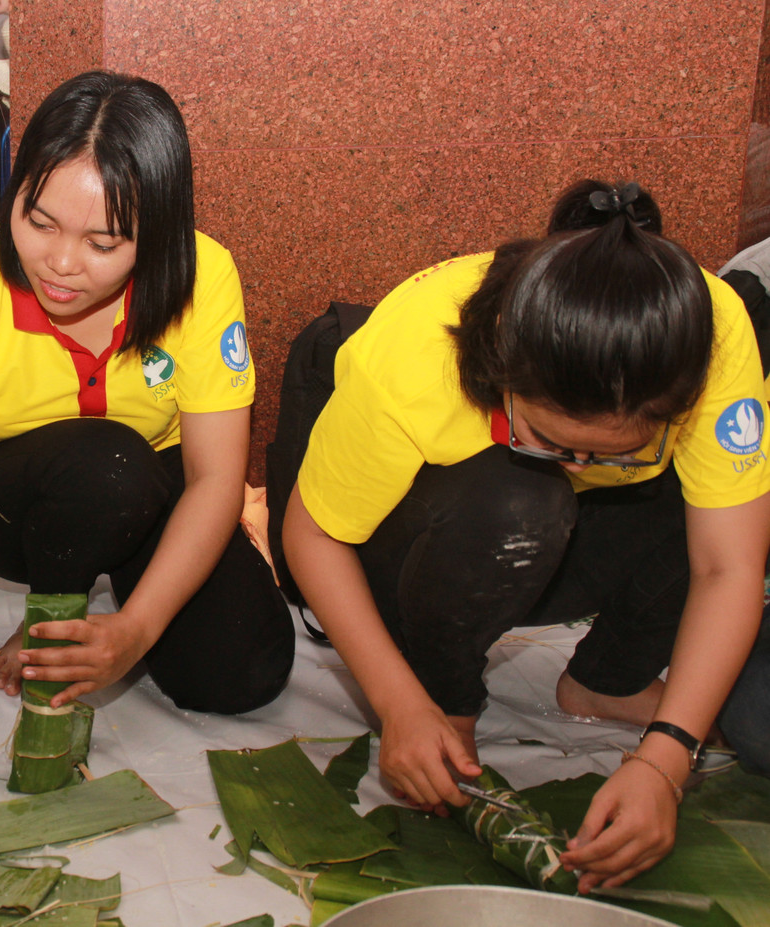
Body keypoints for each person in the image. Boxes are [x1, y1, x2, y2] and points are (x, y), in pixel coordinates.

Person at [281, 179, 770, 891]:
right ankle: (447, 696)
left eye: (613, 451)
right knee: (522, 497)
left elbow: (731, 565)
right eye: (550, 437)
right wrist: (399, 702)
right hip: (428, 540)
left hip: (563, 543)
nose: (581, 465)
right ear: (502, 373)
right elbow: (312, 534)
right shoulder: (418, 352)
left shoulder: (711, 337)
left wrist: (666, 759)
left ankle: (603, 682)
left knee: (727, 494)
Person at [0, 70, 295, 714]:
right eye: (39, 223)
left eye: (103, 243)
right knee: (109, 466)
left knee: (241, 674)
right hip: (4, 498)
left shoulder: (203, 278)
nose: (61, 263)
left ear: (157, 236)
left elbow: (214, 478)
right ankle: (53, 611)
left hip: (145, 487)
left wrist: (138, 630)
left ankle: (118, 593)